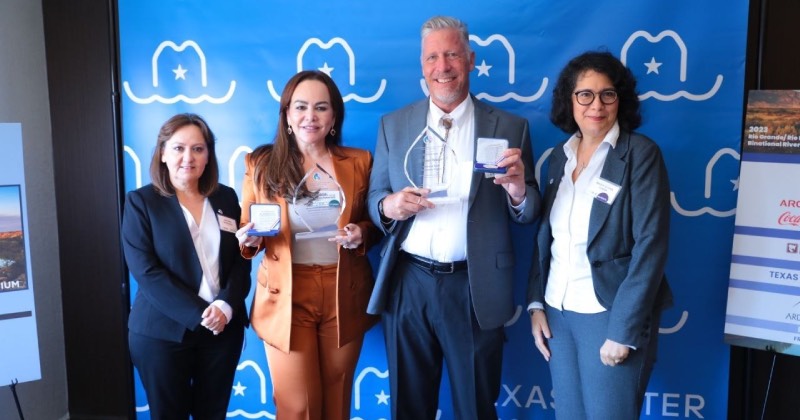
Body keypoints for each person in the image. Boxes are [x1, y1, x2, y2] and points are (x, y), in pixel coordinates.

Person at [366, 15, 541, 419]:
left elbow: (529, 210)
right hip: (408, 282)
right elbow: (375, 198)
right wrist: (389, 207)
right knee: (409, 408)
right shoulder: (393, 125)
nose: (442, 67)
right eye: (432, 57)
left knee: (475, 408)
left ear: (471, 60)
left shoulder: (510, 127)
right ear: (422, 65)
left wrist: (517, 190)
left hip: (474, 286)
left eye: (452, 55)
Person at [526, 51, 674, 419]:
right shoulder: (559, 158)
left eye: (607, 94)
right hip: (558, 313)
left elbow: (650, 246)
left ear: (620, 100)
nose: (597, 105)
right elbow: (547, 239)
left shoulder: (640, 155)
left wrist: (623, 329)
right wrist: (536, 303)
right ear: (570, 101)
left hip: (608, 313)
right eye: (585, 95)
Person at [235, 70, 381, 420]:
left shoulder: (360, 161)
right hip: (286, 293)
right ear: (286, 115)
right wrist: (249, 239)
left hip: (343, 290)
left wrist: (361, 233)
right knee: (298, 407)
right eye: (300, 107)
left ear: (334, 117)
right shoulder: (260, 163)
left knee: (336, 402)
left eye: (321, 107)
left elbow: (375, 223)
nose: (310, 116)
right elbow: (247, 228)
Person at [122, 113, 252, 419]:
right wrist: (202, 315)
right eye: (179, 148)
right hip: (163, 334)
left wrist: (224, 307)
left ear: (208, 155)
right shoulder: (141, 202)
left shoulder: (226, 197)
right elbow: (147, 272)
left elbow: (240, 261)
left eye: (198, 149)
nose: (188, 157)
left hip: (222, 330)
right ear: (163, 153)